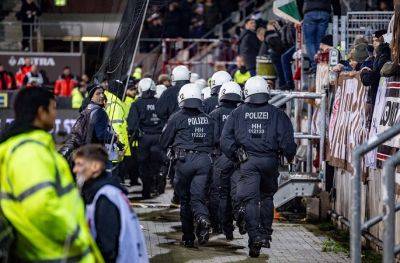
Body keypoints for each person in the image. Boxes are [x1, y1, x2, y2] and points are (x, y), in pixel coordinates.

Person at [0, 87, 103, 262]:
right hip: (54, 253)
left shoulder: (26, 148)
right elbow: (40, 207)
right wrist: (75, 235)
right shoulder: (30, 152)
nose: (56, 114)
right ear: (41, 112)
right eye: (54, 108)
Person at [221, 76, 296, 257]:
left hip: (247, 162)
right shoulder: (278, 114)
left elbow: (225, 139)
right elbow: (288, 142)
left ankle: (255, 237)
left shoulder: (237, 113)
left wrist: (235, 155)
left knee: (250, 200)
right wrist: (289, 157)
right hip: (270, 162)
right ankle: (265, 234)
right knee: (267, 197)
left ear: (247, 92)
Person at [160, 83, 215, 247]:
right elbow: (215, 140)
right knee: (198, 198)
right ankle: (203, 219)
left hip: (184, 162)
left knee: (185, 200)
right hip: (204, 162)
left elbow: (164, 141)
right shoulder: (208, 118)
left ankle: (189, 237)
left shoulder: (177, 117)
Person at [74, 144, 148, 263]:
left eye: (79, 164)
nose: (75, 170)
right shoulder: (107, 191)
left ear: (95, 166)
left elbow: (107, 249)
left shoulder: (105, 197)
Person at [209, 81, 242, 240]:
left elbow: (212, 138)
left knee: (221, 194)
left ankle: (220, 226)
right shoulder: (241, 112)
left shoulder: (215, 114)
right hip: (239, 158)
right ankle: (231, 228)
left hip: (219, 157)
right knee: (235, 192)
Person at [60, 84, 117, 163]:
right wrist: (114, 137)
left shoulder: (87, 109)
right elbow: (100, 135)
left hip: (85, 152)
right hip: (95, 154)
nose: (101, 96)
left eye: (102, 93)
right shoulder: (99, 112)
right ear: (92, 97)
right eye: (98, 94)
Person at [128, 78, 164, 198]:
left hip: (144, 138)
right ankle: (157, 184)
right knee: (157, 163)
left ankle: (147, 189)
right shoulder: (160, 102)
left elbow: (132, 125)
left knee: (143, 165)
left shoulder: (136, 104)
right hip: (159, 137)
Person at [299, 0, 341, 72]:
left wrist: (301, 16)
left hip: (309, 12)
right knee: (320, 41)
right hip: (324, 11)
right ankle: (321, 63)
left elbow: (299, 1)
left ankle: (315, 65)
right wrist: (337, 15)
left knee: (310, 41)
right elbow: (335, 2)